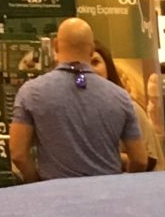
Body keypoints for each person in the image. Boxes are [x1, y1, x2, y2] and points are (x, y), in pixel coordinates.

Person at [9, 18, 148, 180]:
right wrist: (121, 183)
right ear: (91, 50)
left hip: (55, 191)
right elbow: (140, 160)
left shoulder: (30, 93)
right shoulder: (120, 97)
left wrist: (37, 182)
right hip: (107, 191)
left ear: (56, 45)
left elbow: (18, 154)